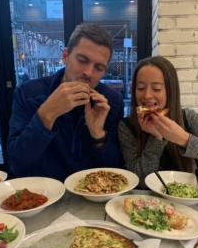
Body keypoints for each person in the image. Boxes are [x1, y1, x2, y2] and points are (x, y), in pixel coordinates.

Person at [7, 23, 124, 181]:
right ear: (65, 56)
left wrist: (98, 135)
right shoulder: (27, 94)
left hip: (92, 198)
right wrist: (47, 114)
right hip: (43, 197)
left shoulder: (111, 102)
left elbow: (115, 170)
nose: (89, 73)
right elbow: (17, 164)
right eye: (82, 60)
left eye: (99, 67)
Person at [118, 56, 198, 189]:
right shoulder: (126, 126)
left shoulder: (188, 118)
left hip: (191, 202)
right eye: (141, 88)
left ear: (170, 91)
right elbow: (138, 181)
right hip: (148, 203)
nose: (147, 95)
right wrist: (157, 139)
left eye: (156, 89)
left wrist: (183, 139)